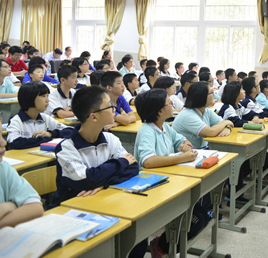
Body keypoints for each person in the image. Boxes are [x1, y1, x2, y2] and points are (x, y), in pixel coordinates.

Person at [52, 86, 145, 257]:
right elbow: (85, 181)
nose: (114, 109)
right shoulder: (66, 148)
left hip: (106, 199)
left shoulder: (110, 138)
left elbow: (133, 168)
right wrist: (119, 164)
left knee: (138, 235)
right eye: (109, 106)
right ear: (93, 117)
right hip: (74, 209)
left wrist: (104, 183)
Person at [133, 89, 198, 257]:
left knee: (196, 207)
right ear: (160, 111)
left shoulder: (164, 127)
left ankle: (166, 240)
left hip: (167, 178)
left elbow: (183, 140)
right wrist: (181, 158)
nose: (173, 105)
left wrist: (186, 146)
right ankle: (163, 243)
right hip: (149, 184)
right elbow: (148, 161)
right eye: (169, 103)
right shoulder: (147, 130)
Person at [7, 82, 69, 149]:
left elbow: (70, 131)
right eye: (43, 96)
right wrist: (46, 139)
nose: (47, 100)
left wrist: (50, 134)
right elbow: (15, 142)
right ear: (30, 98)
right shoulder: (16, 120)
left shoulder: (45, 118)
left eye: (47, 96)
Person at [172, 81, 233, 149]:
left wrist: (228, 127)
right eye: (211, 92)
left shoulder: (206, 110)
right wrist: (226, 122)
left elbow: (222, 123)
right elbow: (211, 132)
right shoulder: (188, 115)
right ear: (202, 96)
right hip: (188, 154)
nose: (213, 95)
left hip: (201, 150)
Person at [0, 136, 44, 228]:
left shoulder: (4, 168)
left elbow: (36, 208)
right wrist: (11, 206)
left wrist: (5, 208)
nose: (4, 142)